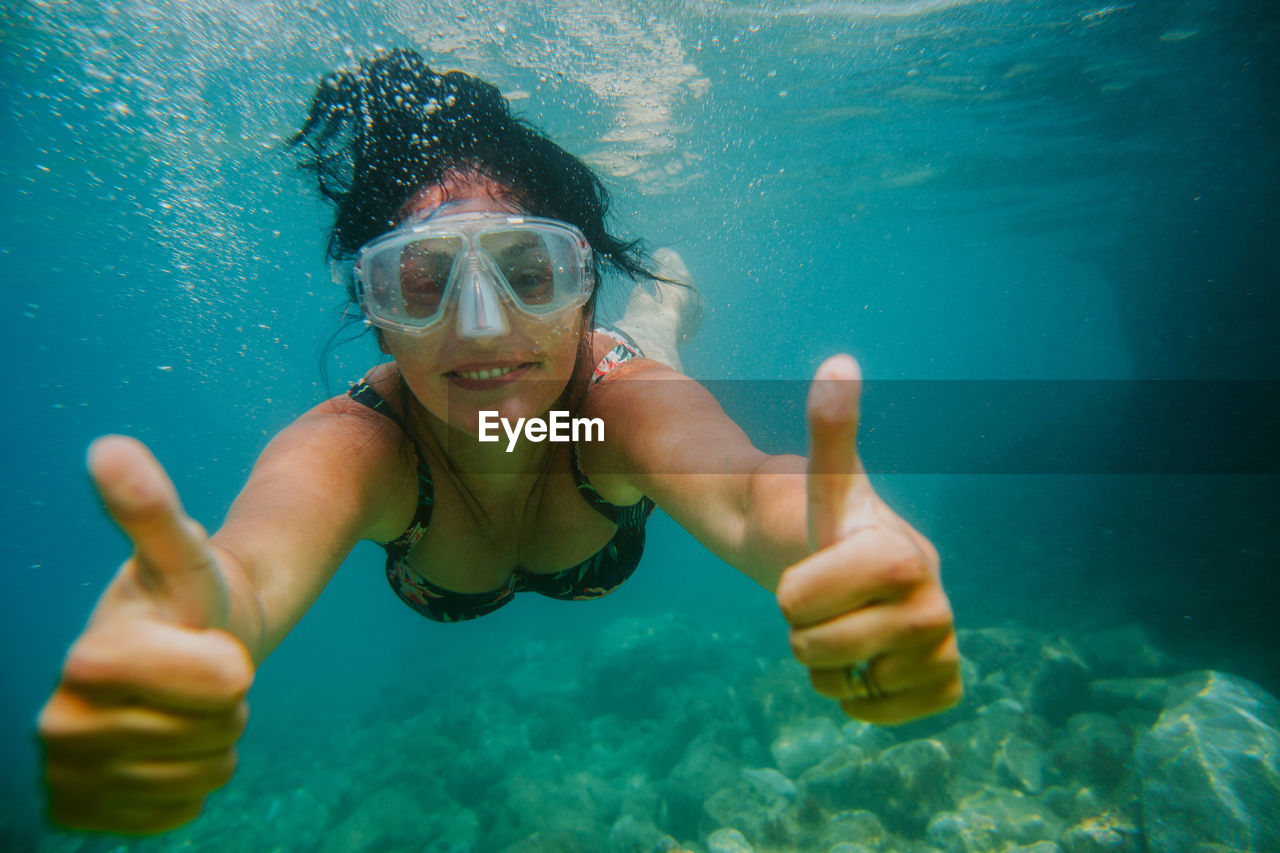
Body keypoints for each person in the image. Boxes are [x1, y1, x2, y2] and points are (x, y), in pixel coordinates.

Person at [36, 48, 961, 834]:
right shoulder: (367, 446)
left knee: (655, 362)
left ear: (581, 283)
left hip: (585, 403)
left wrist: (840, 542)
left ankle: (662, 310)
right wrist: (205, 622)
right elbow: (249, 565)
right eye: (422, 281)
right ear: (375, 313)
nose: (481, 328)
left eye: (530, 272)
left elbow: (750, 490)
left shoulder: (604, 411)